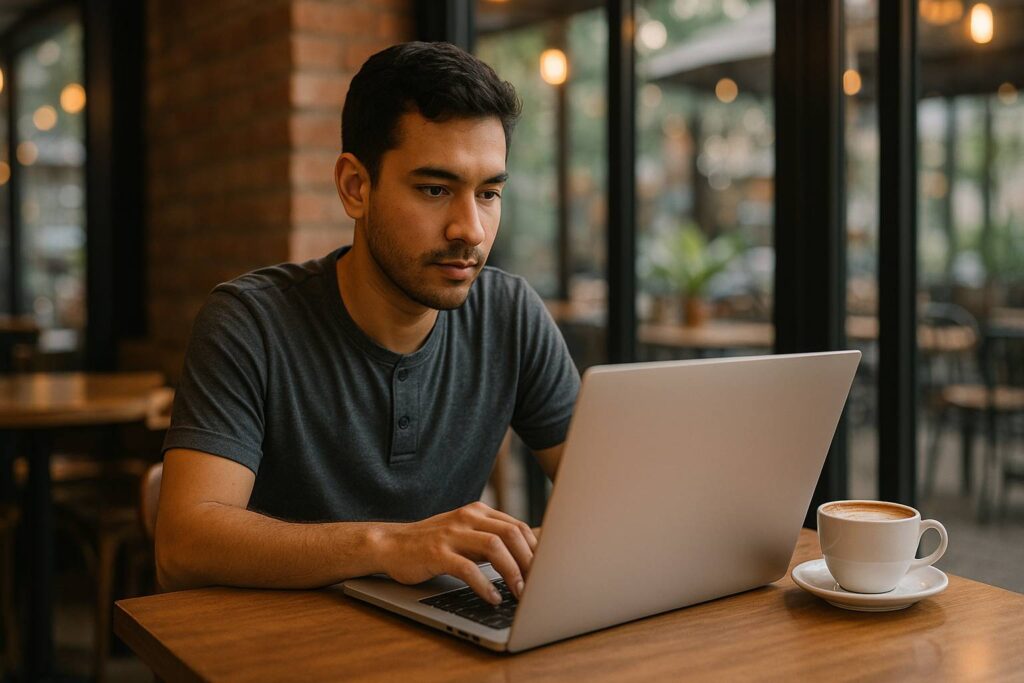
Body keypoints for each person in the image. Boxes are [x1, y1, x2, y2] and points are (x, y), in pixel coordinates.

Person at [155, 42, 581, 606]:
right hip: (277, 648)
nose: (471, 230)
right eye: (435, 189)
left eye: (489, 193)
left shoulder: (511, 314)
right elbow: (182, 547)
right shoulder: (251, 321)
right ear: (356, 187)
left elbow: (608, 497)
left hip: (439, 644)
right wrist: (387, 545)